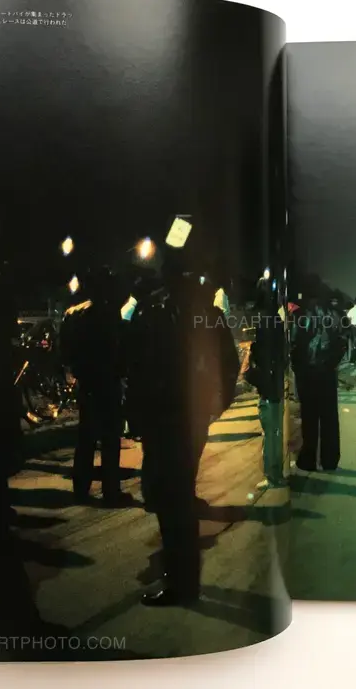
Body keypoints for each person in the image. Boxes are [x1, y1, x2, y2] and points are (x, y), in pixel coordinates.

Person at [127, 249, 238, 607]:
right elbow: (229, 364)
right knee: (176, 496)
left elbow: (133, 367)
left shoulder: (156, 312)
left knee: (170, 499)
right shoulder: (205, 314)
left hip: (167, 418)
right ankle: (182, 578)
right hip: (179, 417)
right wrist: (215, 405)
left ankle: (181, 582)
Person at [60, 265, 130, 506]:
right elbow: (118, 350)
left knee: (85, 438)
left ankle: (81, 489)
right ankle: (111, 491)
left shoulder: (73, 314)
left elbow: (65, 351)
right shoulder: (109, 313)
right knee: (110, 439)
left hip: (86, 382)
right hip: (107, 382)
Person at [290, 295, 346, 471]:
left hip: (308, 373)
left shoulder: (301, 316)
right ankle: (329, 460)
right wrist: (331, 363)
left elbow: (294, 344)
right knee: (329, 418)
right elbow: (342, 342)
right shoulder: (335, 315)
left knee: (309, 418)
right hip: (327, 373)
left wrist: (298, 367)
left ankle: (308, 460)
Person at [245, 278, 287, 489]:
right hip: (275, 381)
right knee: (275, 430)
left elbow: (263, 353)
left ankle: (273, 475)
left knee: (270, 431)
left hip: (268, 384)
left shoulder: (265, 320)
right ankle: (275, 473)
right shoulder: (276, 318)